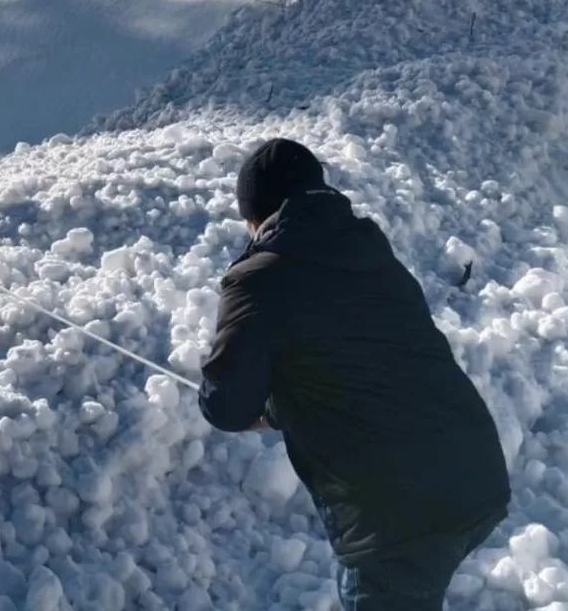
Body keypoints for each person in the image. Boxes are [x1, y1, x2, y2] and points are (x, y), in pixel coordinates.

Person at [198, 137, 510, 610]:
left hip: (399, 522)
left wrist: (267, 406)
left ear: (255, 215)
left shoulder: (258, 279)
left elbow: (227, 406)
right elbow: (354, 361)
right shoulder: (367, 248)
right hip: (475, 476)